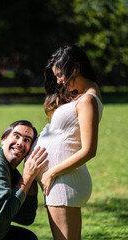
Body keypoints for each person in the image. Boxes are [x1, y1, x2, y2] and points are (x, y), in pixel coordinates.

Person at [32, 44, 103, 240]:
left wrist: (51, 173)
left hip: (63, 181)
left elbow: (89, 150)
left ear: (76, 68)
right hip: (60, 180)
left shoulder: (88, 100)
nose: (59, 81)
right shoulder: (81, 96)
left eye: (60, 74)